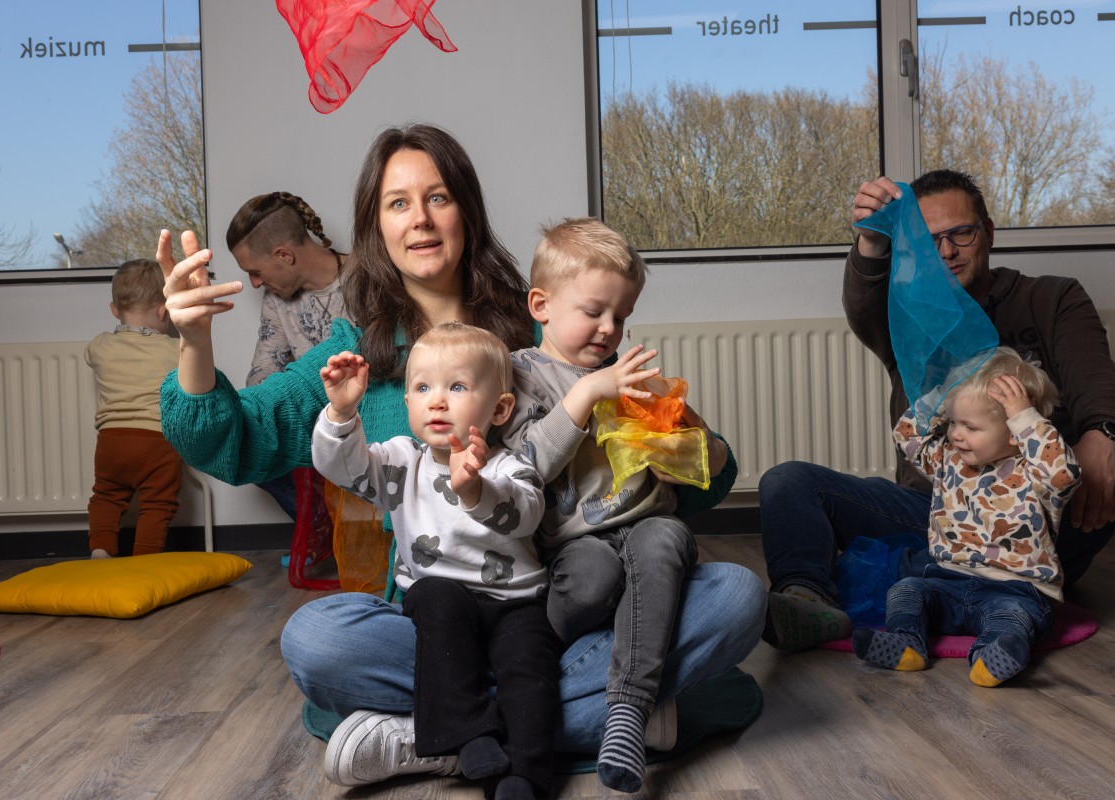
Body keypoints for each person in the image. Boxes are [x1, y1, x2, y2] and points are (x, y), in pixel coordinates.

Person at [157, 123, 765, 787]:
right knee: (319, 639)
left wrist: (687, 441)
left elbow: (690, 487)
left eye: (438, 197)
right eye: (398, 203)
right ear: (377, 228)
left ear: (466, 211)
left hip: (562, 608)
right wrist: (194, 342)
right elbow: (234, 439)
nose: (419, 218)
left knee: (734, 596)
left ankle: (438, 734)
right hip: (439, 622)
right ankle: (611, 713)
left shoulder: (551, 327)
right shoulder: (354, 354)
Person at [759, 168, 1115, 653]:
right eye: (929, 242)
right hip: (935, 513)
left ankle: (990, 589)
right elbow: (863, 302)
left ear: (988, 233)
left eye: (961, 233)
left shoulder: (1052, 297)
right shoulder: (905, 316)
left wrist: (1103, 434)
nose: (946, 251)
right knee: (788, 481)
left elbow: (1096, 380)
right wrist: (871, 240)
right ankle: (807, 599)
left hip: (1030, 525)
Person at [502, 217, 739, 793]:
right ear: (541, 305)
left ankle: (629, 712)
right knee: (593, 576)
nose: (609, 329)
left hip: (646, 525)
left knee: (667, 540)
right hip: (571, 550)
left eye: (622, 316)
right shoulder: (518, 374)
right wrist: (587, 393)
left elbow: (708, 462)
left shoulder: (628, 377)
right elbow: (523, 468)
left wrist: (684, 442)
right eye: (593, 311)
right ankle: (573, 671)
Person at [313, 322, 555, 800]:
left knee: (530, 670)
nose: (437, 401)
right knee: (433, 597)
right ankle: (470, 735)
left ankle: (523, 774)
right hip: (441, 603)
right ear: (408, 403)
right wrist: (341, 412)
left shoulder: (509, 465)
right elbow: (342, 468)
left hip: (515, 603)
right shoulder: (402, 461)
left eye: (457, 387)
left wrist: (477, 489)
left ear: (499, 409)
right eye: (423, 388)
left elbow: (525, 515)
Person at [853, 347, 1080, 686]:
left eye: (970, 427)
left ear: (1015, 433)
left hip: (1015, 589)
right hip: (946, 580)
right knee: (906, 590)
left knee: (1013, 617)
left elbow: (1063, 474)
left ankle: (992, 657)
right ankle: (906, 643)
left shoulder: (1035, 473)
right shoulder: (949, 460)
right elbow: (906, 435)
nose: (956, 434)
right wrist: (942, 397)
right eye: (954, 422)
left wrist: (1025, 417)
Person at [228, 191, 348, 519]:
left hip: (369, 419)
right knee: (242, 444)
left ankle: (343, 522)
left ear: (284, 255)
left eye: (254, 271)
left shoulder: (369, 278)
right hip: (316, 424)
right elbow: (264, 366)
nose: (254, 283)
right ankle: (325, 524)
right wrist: (251, 415)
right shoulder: (276, 299)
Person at [85, 258, 183, 558]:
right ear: (163, 311)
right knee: (158, 503)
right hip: (157, 441)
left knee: (106, 497)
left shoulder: (100, 346)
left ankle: (100, 550)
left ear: (115, 310)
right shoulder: (174, 350)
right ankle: (145, 558)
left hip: (111, 441)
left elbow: (89, 355)